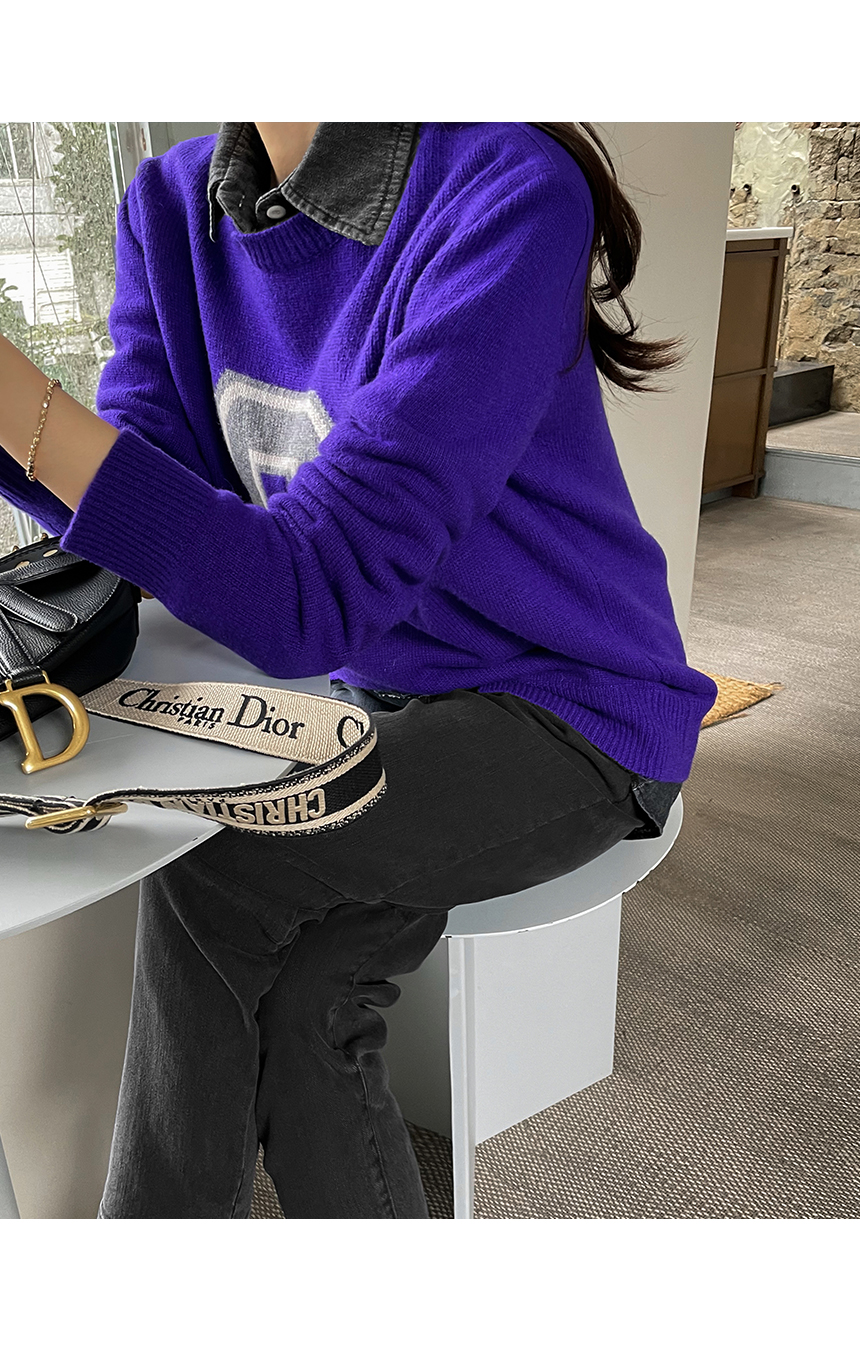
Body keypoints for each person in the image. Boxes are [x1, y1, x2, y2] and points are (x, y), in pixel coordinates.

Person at [0, 122, 718, 1219]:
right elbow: (155, 505)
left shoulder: (506, 192)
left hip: (573, 708)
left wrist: (16, 402)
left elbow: (313, 596)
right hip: (376, 700)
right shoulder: (169, 203)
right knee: (307, 1020)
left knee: (223, 859)